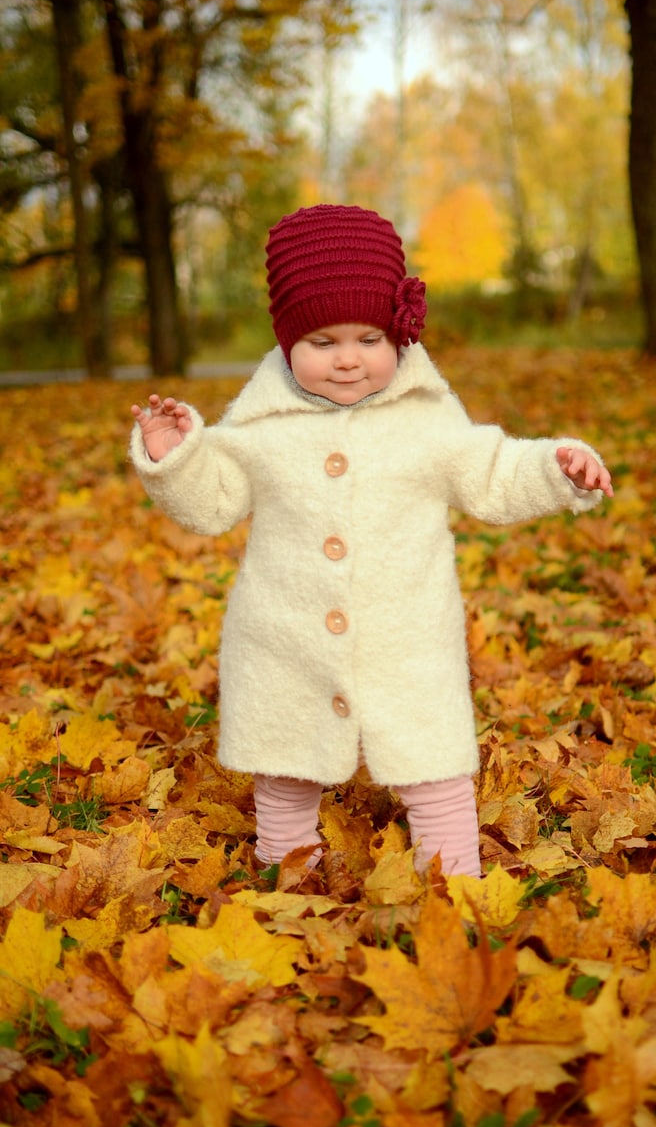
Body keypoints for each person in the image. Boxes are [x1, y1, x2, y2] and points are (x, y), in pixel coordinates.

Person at [130, 204, 613, 879]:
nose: (348, 359)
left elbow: (491, 471)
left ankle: (453, 880)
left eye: (368, 338)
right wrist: (176, 457)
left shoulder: (425, 415)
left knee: (435, 764)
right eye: (322, 342)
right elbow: (213, 501)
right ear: (286, 341)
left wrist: (556, 466)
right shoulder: (261, 422)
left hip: (408, 637)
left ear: (398, 332)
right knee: (285, 766)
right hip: (286, 637)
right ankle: (286, 873)